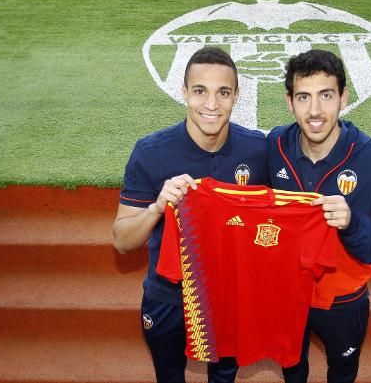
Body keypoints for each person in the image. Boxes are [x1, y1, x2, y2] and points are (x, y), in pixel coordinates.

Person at [112, 46, 268, 383]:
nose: (211, 104)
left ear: (236, 95)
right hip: (167, 296)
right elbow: (123, 241)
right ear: (184, 93)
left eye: (223, 92)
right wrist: (157, 206)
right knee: (169, 376)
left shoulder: (257, 150)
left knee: (224, 376)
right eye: (200, 91)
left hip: (228, 297)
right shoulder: (150, 152)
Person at [267, 49, 371, 383]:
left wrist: (352, 223)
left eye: (326, 96)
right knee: (292, 367)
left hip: (344, 301)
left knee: (343, 371)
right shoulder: (274, 146)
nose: (315, 111)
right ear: (290, 102)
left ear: (343, 97)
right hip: (288, 294)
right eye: (304, 97)